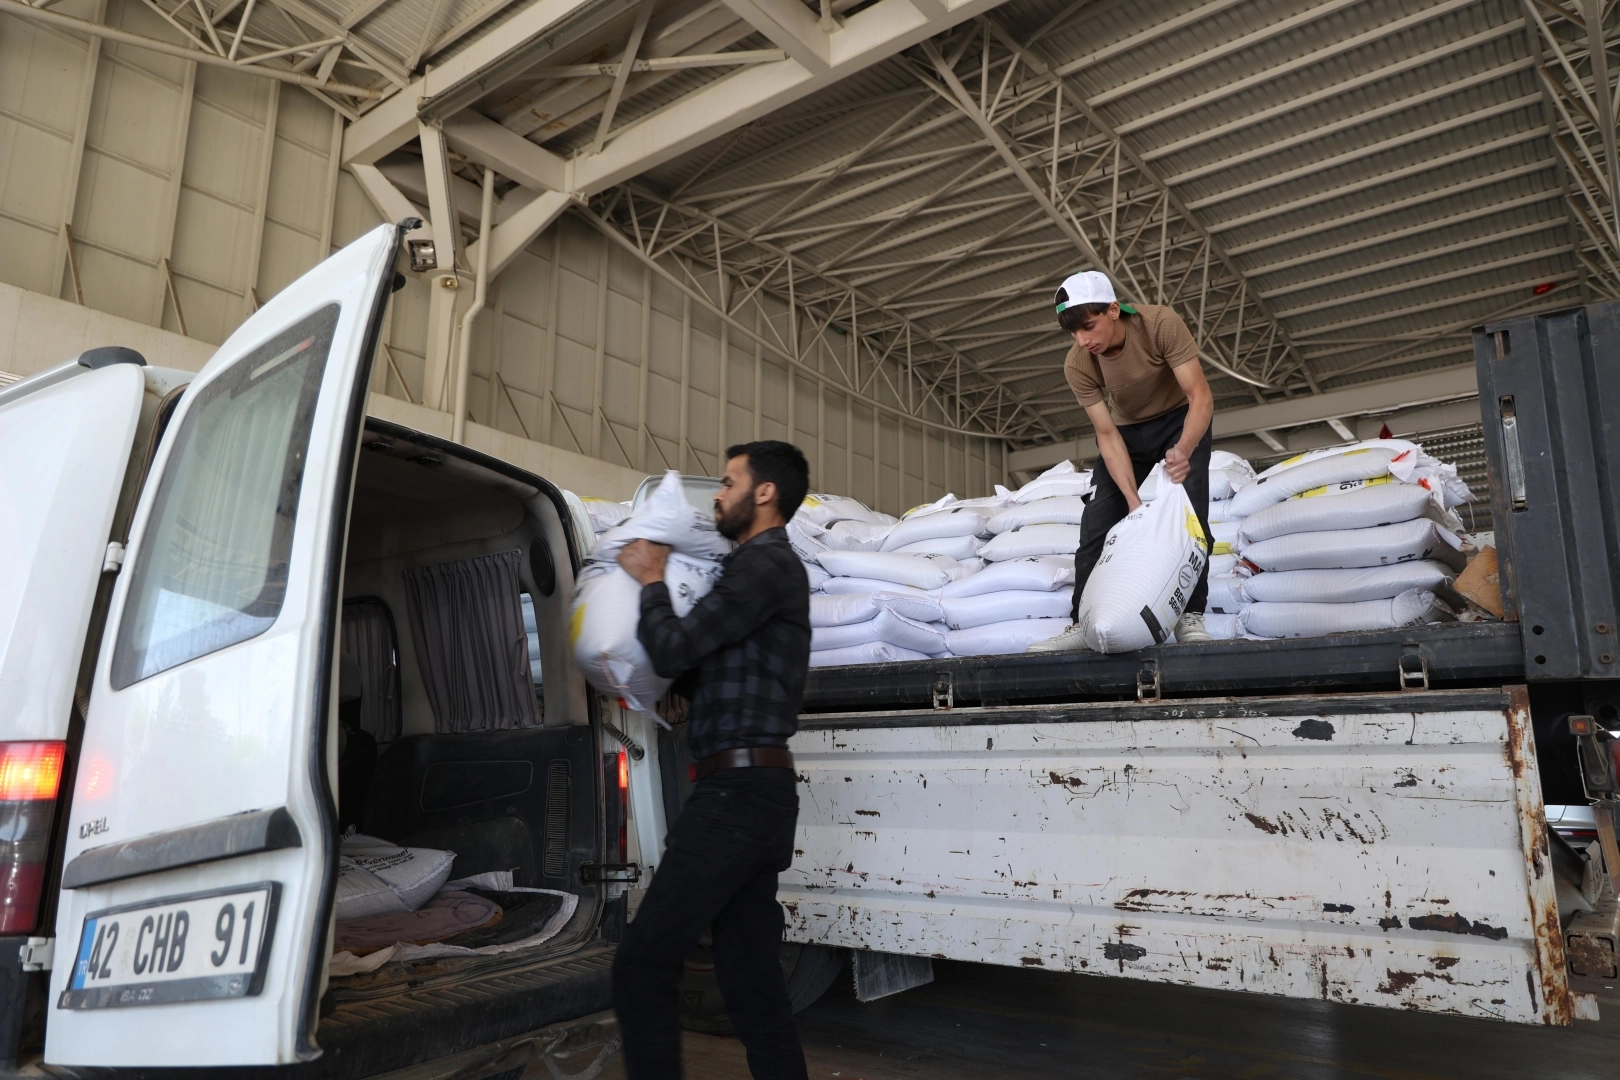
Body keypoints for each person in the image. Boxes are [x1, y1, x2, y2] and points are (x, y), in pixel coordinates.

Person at [612, 440, 813, 1080]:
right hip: (758, 793)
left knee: (643, 961)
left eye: (728, 483)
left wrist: (651, 580)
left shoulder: (764, 566)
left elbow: (675, 648)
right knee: (751, 982)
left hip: (737, 797)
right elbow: (712, 664)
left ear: (764, 492)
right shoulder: (760, 573)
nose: (719, 497)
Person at [1029, 270, 1215, 652]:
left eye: (1088, 326)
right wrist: (1133, 502)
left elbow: (1200, 396)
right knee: (1096, 525)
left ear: (1113, 310)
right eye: (1073, 333)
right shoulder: (1078, 363)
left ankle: (1190, 614)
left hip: (1179, 419)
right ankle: (1081, 623)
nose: (1083, 340)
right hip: (1125, 433)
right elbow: (1107, 433)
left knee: (1190, 517)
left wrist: (1183, 448)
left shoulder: (1160, 324)